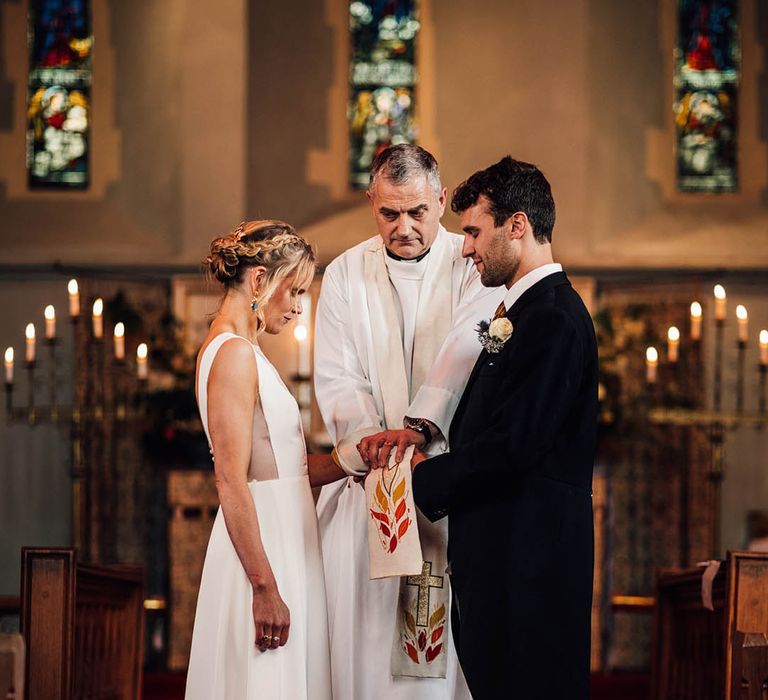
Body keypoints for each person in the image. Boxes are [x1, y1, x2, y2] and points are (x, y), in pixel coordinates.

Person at [314, 144, 504, 699]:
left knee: (444, 662)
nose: (404, 227)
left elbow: (465, 356)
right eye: (389, 213)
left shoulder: (469, 261)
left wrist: (420, 433)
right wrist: (372, 444)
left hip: (444, 479)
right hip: (376, 483)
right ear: (371, 201)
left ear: (441, 201)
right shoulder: (347, 272)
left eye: (418, 212)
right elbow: (337, 376)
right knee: (369, 650)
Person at [405, 157, 598, 699]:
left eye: (473, 231)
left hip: (531, 566)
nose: (465, 248)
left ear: (518, 225)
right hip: (509, 560)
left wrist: (427, 476)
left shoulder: (554, 317)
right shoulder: (527, 311)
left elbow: (515, 444)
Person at [185, 220, 345, 699]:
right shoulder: (233, 354)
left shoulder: (247, 351)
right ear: (259, 281)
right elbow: (231, 480)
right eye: (293, 291)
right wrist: (264, 588)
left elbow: (286, 472)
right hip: (264, 554)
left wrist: (352, 460)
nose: (298, 307)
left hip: (286, 542)